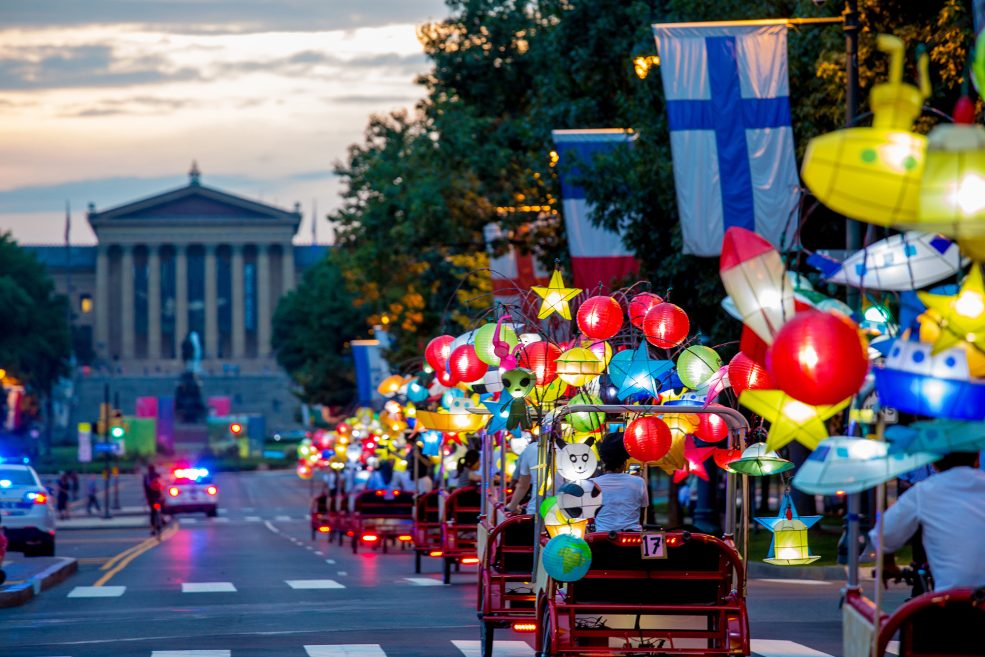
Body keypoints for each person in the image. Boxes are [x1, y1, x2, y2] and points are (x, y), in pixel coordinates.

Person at [870, 452, 985, 592]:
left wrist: (888, 564)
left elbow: (883, 534)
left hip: (953, 597)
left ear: (933, 463)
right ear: (978, 459)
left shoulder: (924, 492)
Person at [589, 432, 648, 533]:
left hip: (603, 537)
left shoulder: (592, 484)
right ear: (624, 462)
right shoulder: (639, 482)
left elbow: (591, 516)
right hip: (633, 536)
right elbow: (641, 515)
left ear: (604, 462)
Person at [142, 464, 165, 532]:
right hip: (157, 495)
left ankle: (152, 527)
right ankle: (162, 518)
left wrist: (147, 497)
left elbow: (145, 488)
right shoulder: (157, 475)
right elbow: (162, 485)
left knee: (152, 512)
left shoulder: (146, 477)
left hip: (150, 496)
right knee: (161, 507)